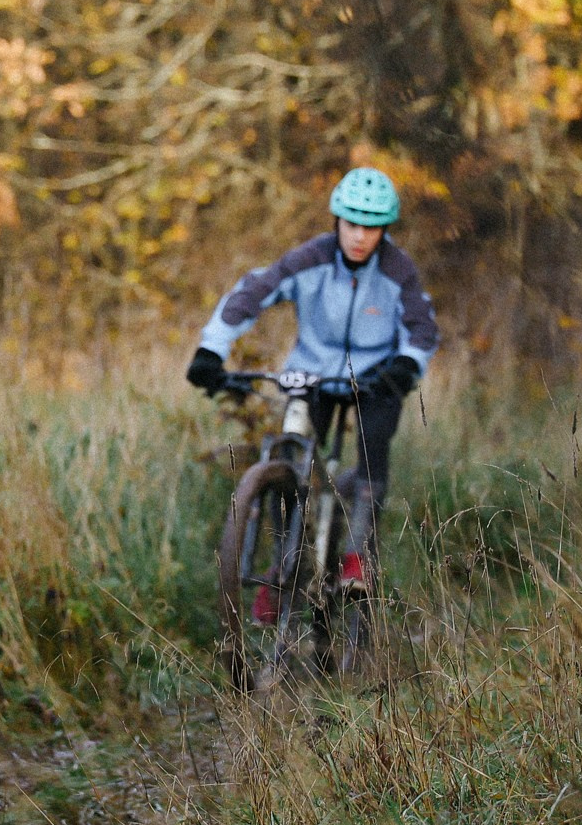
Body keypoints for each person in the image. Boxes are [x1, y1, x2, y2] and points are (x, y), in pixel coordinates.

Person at [185, 166, 439, 611]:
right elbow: (252, 293)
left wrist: (405, 365)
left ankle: (357, 560)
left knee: (372, 448)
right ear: (337, 221)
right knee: (290, 462)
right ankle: (283, 566)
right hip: (314, 374)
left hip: (377, 378)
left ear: (385, 230)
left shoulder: (399, 271)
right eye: (352, 224)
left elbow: (422, 330)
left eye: (372, 227)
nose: (360, 236)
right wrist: (211, 351)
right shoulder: (310, 259)